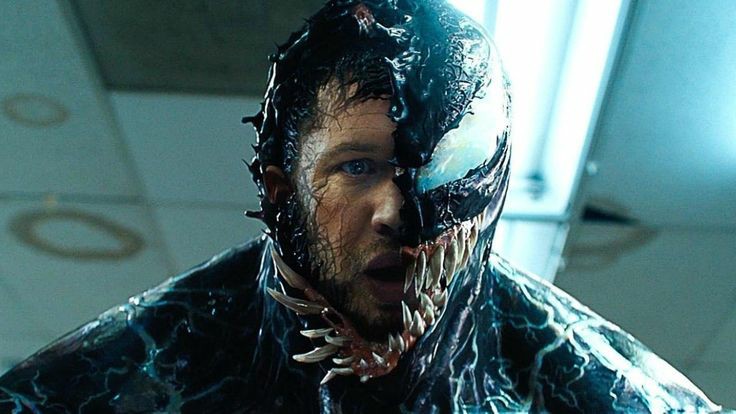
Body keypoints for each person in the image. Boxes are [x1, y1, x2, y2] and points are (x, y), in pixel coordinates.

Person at [0, 0, 725, 412]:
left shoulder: (609, 398)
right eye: (358, 167)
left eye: (449, 172)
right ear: (281, 189)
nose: (402, 213)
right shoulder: (94, 391)